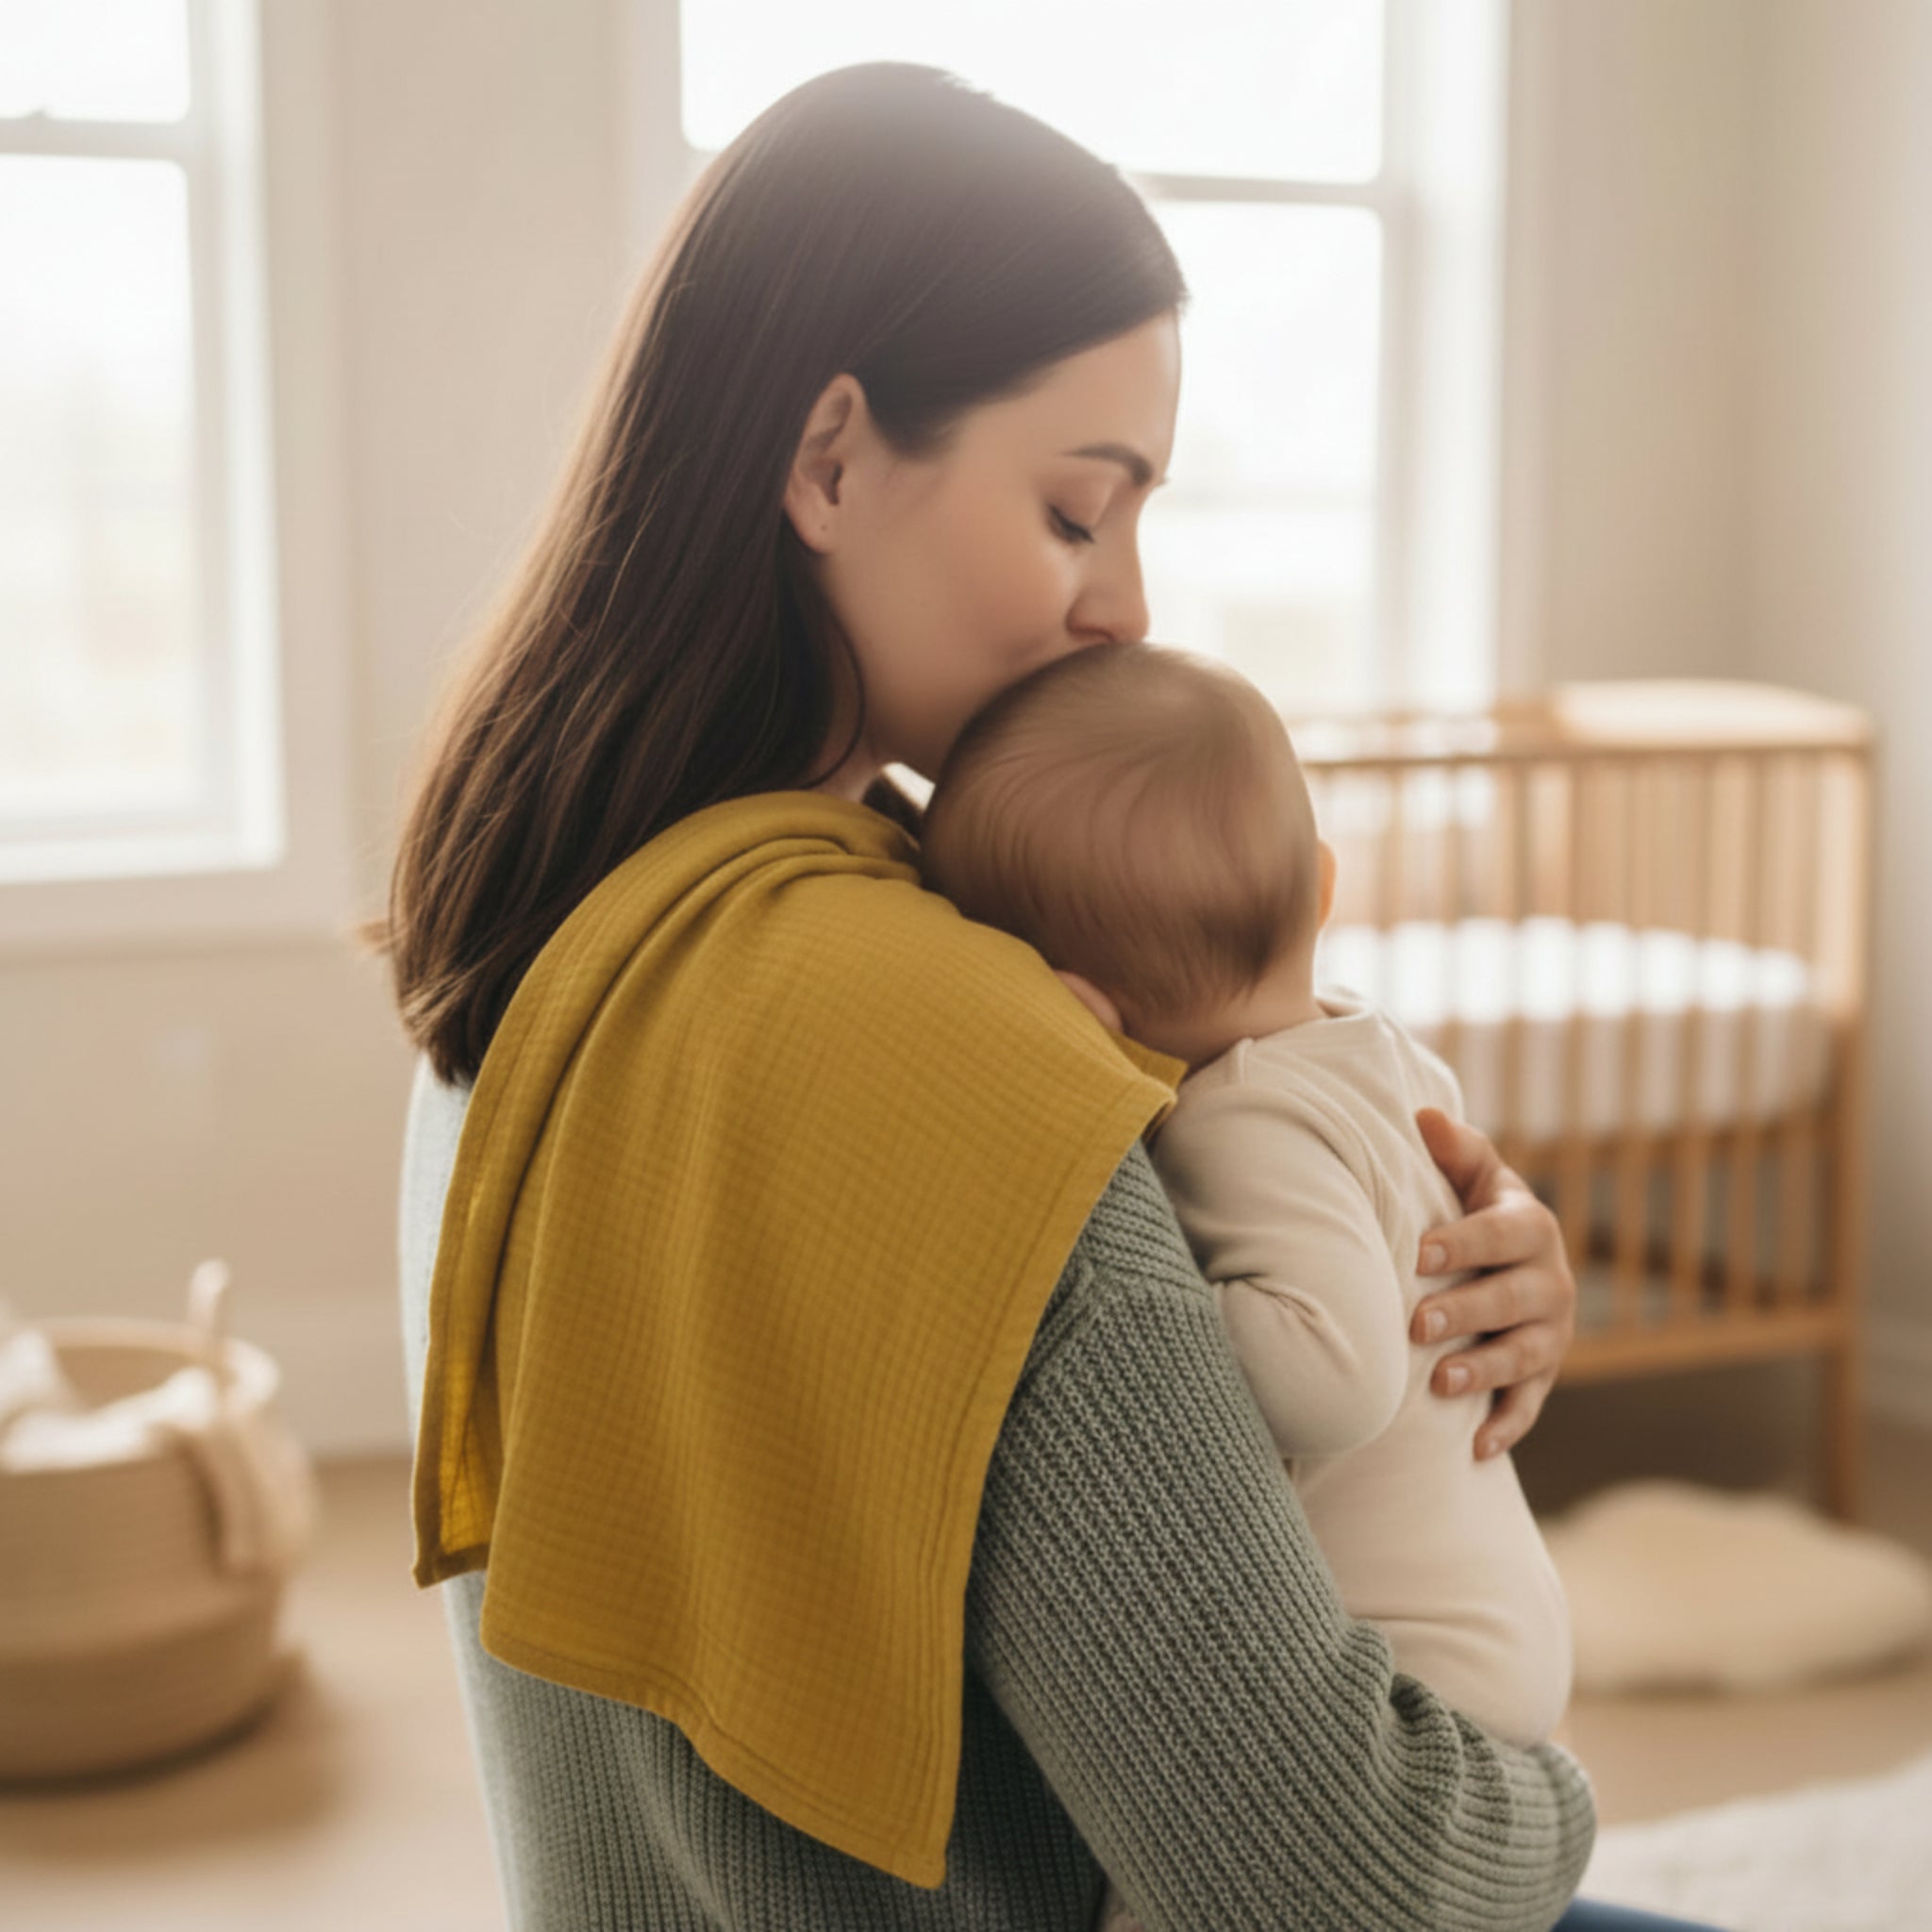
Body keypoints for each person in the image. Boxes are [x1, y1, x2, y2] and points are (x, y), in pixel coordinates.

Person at [375, 60, 1723, 1932]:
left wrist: (1419, 1278)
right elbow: (1348, 1879)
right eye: (1079, 513)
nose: (1126, 606)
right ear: (829, 458)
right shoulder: (959, 1051)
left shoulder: (542, 945)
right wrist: (1556, 1808)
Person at [918, 642, 1578, 1932]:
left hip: (1424, 1659)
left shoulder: (1242, 1119)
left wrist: (1145, 1321)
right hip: (1491, 1618)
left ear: (1074, 1012)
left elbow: (1333, 1374)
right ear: (1320, 890)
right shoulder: (1370, 1049)